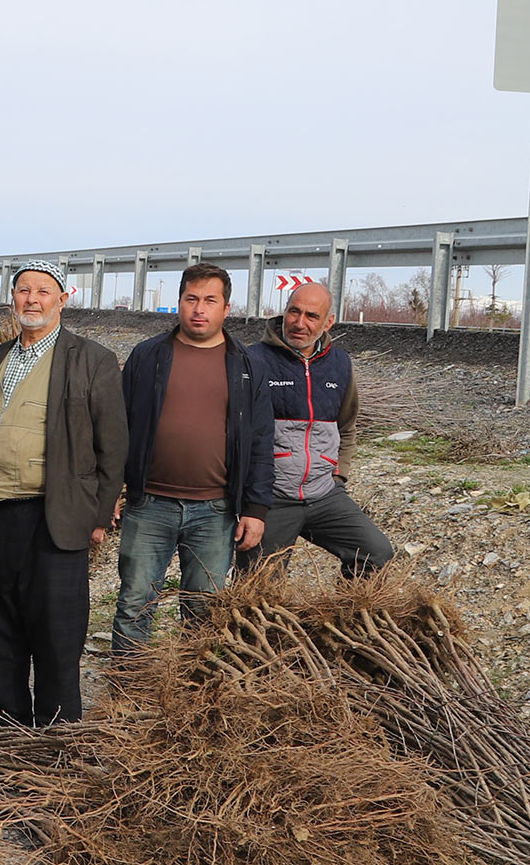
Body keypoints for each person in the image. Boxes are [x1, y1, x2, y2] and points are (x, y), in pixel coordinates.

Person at [0, 264, 125, 728]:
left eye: (43, 291)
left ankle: (55, 748)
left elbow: (113, 445)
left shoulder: (90, 359)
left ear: (61, 299)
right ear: (13, 297)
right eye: (23, 290)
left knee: (55, 638)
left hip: (51, 519)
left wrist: (98, 514)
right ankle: (5, 737)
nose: (32, 299)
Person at [113, 262, 271, 657]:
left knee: (203, 611)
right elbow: (119, 427)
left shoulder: (248, 366)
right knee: (134, 604)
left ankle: (188, 696)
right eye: (191, 299)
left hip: (215, 511)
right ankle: (126, 695)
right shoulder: (146, 356)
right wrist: (111, 490)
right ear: (180, 302)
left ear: (226, 309)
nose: (199, 309)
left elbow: (260, 440)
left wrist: (255, 508)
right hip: (148, 504)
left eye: (210, 301)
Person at [243, 280, 396, 578]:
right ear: (283, 312)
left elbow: (347, 425)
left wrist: (339, 474)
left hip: (324, 494)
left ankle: (346, 618)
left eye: (311, 316)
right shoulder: (252, 360)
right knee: (260, 587)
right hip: (271, 498)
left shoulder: (339, 364)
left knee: (376, 553)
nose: (299, 323)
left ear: (328, 322)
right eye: (293, 312)